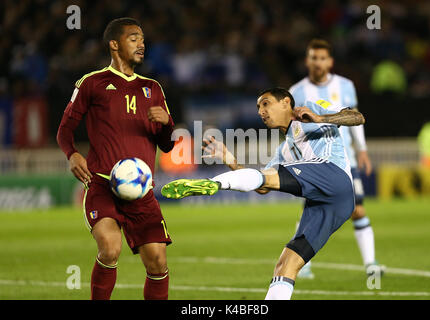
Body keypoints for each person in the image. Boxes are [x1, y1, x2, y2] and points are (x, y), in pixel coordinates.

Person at [161, 87, 365, 300]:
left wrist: (320, 117)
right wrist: (228, 158)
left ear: (286, 102)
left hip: (334, 176)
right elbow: (262, 186)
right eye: (258, 107)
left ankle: (212, 184)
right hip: (332, 204)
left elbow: (357, 117)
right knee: (285, 265)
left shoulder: (311, 108)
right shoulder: (284, 152)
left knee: (267, 175)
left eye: (266, 103)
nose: (260, 111)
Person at [56, 18, 175, 300]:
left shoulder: (153, 88)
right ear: (114, 44)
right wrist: (72, 153)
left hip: (142, 192)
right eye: (133, 38)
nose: (141, 44)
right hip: (102, 185)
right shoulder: (92, 83)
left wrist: (167, 123)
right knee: (110, 249)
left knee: (158, 262)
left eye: (143, 39)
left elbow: (167, 145)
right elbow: (64, 129)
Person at [289, 39, 383, 278]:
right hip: (314, 160)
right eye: (313, 58)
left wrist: (361, 149)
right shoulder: (296, 91)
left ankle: (371, 264)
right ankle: (302, 263)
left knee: (357, 209)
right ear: (307, 61)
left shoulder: (345, 86)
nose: (317, 62)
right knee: (311, 208)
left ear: (329, 61)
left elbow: (353, 118)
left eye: (322, 58)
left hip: (345, 159)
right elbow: (293, 128)